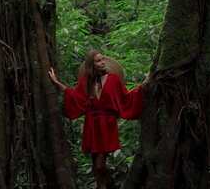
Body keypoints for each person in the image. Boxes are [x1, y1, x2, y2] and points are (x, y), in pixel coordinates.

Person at [48, 49, 144, 189]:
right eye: (98, 61)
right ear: (91, 65)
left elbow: (126, 98)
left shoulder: (113, 80)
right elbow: (75, 96)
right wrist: (56, 83)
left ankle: (104, 184)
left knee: (100, 164)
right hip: (92, 125)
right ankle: (103, 184)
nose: (103, 62)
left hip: (107, 125)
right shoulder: (86, 82)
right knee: (95, 163)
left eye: (103, 59)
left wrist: (143, 86)